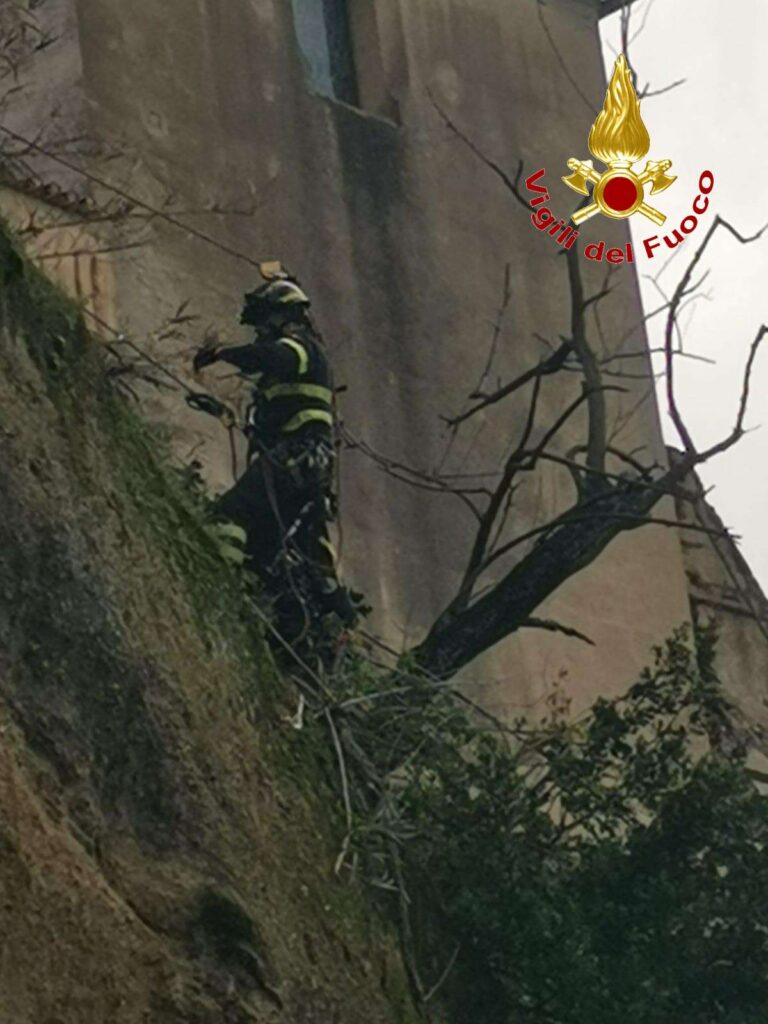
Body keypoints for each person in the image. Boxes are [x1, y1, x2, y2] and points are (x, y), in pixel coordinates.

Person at [192, 268, 358, 638]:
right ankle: (284, 617)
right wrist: (216, 408)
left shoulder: (301, 349)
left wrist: (221, 353)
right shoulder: (299, 368)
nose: (262, 330)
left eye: (266, 321)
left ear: (284, 316)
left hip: (294, 459)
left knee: (230, 514)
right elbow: (264, 421)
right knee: (267, 546)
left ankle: (218, 586)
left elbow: (272, 357)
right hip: (303, 467)